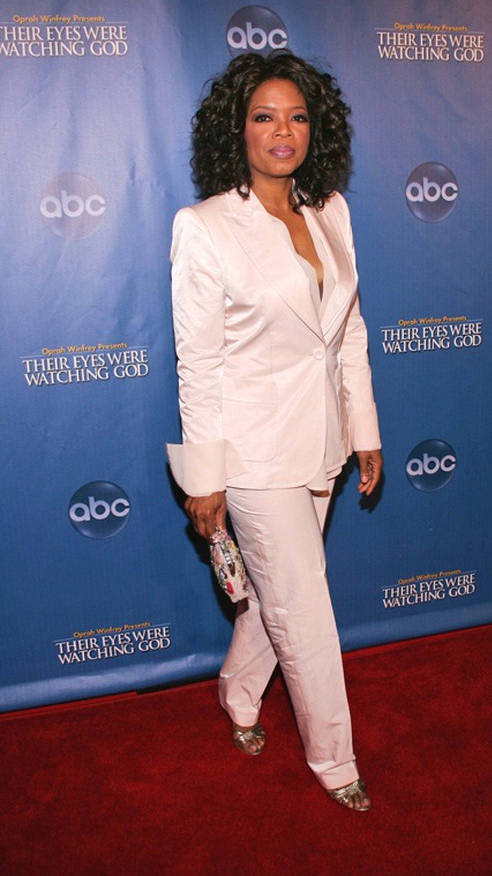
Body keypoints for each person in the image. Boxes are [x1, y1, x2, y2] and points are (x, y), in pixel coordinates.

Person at [167, 51, 382, 812]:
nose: (283, 131)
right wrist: (205, 478)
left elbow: (347, 331)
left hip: (322, 441)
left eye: (297, 116)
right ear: (239, 129)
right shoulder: (204, 227)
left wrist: (363, 427)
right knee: (304, 605)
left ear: (315, 129)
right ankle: (334, 758)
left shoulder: (331, 210)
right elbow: (198, 363)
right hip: (252, 454)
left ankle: (237, 689)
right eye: (265, 116)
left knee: (276, 593)